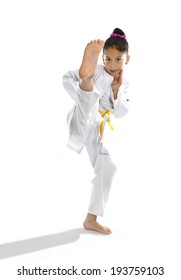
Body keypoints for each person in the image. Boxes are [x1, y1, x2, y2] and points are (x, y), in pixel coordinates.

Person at [62, 28, 131, 234]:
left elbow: (121, 113)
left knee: (109, 167)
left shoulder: (125, 85)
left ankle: (91, 219)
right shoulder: (99, 70)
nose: (112, 65)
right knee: (88, 104)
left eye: (118, 60)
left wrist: (116, 91)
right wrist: (86, 82)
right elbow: (66, 79)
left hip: (98, 129)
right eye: (107, 59)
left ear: (127, 59)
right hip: (82, 117)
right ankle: (86, 81)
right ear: (101, 58)